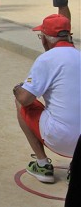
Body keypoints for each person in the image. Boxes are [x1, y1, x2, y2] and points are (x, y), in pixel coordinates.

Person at [13, 14, 80, 184]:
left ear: (45, 39)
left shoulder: (46, 59)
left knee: (20, 100)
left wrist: (17, 89)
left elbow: (26, 99)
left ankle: (42, 165)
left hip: (60, 138)